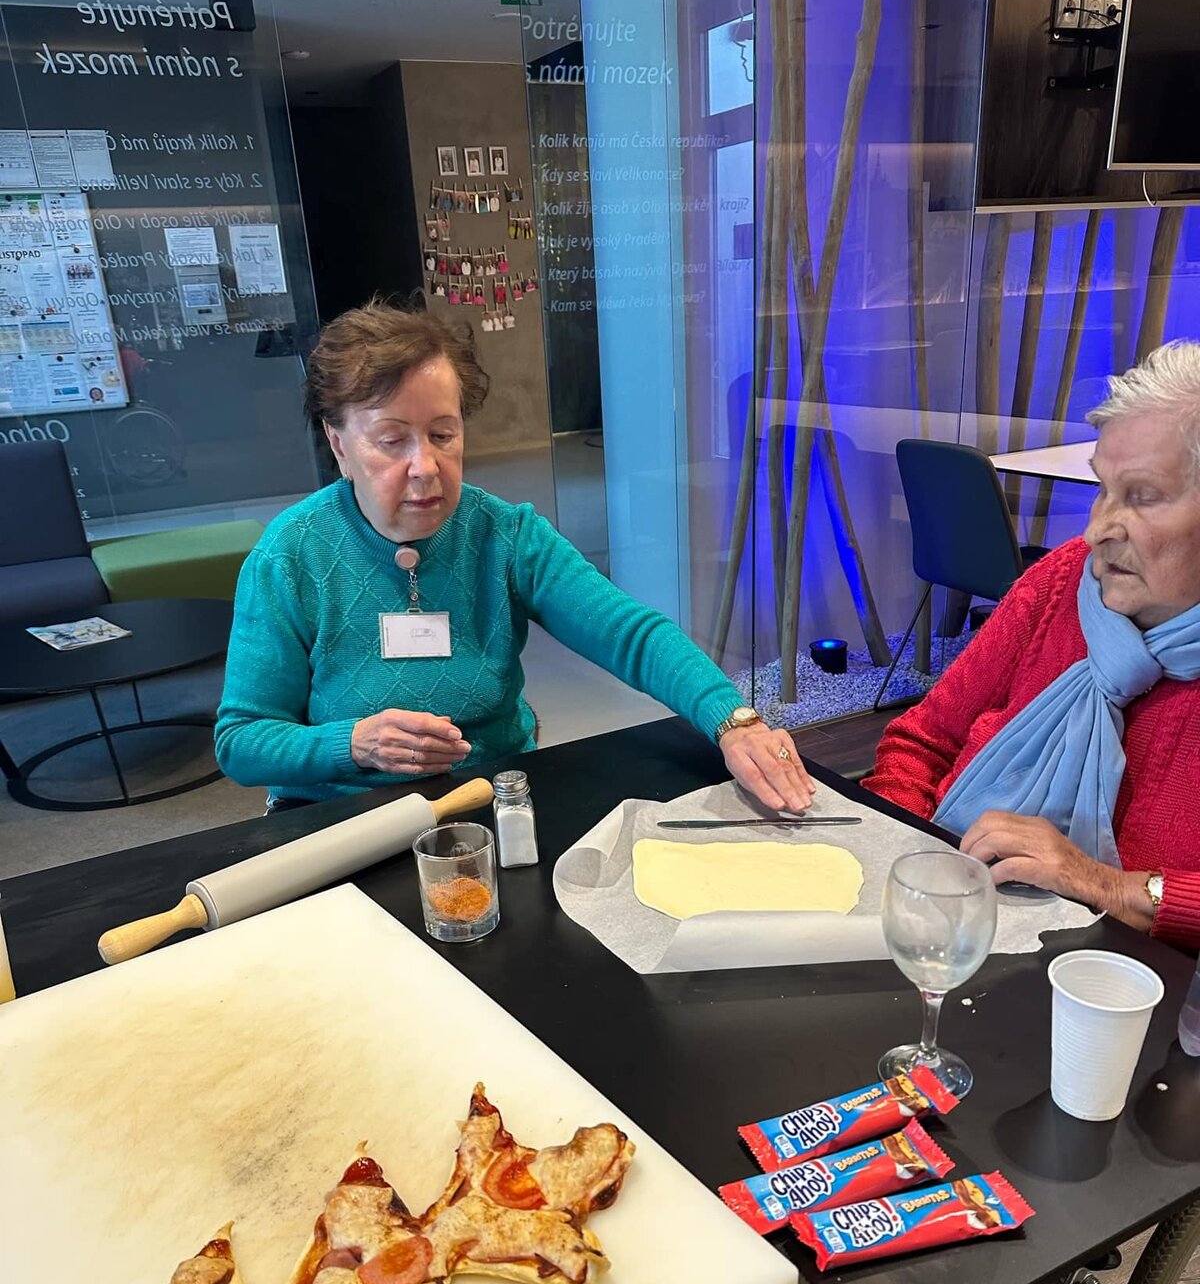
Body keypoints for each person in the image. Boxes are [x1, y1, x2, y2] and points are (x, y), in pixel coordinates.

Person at [215, 300, 812, 814]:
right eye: (391, 441)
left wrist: (733, 721)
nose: (425, 466)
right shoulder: (291, 556)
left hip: (490, 796)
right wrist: (353, 744)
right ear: (339, 444)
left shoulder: (503, 535)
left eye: (443, 434)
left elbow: (628, 633)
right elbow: (241, 740)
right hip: (342, 815)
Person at [864, 340, 1200, 950]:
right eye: (1102, 488)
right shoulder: (1065, 580)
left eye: (1143, 496)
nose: (1097, 530)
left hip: (1127, 985)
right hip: (950, 924)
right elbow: (923, 741)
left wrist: (1102, 882)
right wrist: (900, 868)